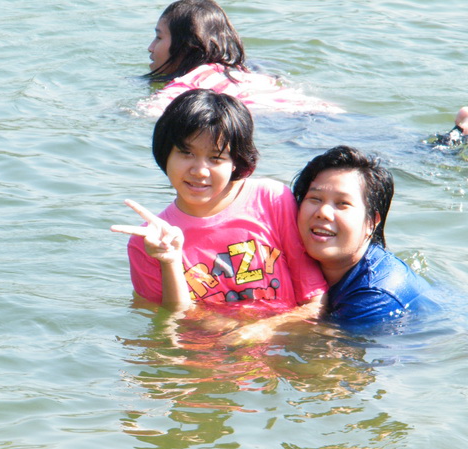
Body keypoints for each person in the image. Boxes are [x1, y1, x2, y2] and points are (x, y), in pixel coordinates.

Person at [112, 89, 327, 325]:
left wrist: (263, 329)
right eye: (186, 153)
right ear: (165, 154)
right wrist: (170, 260)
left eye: (216, 158)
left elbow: (315, 300)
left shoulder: (271, 200)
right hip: (206, 347)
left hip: (283, 340)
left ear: (235, 162)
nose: (199, 171)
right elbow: (168, 325)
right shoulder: (149, 241)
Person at [293, 145, 436, 327]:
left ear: (372, 222)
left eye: (342, 203)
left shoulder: (376, 295)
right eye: (315, 199)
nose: (323, 212)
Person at [139, 0, 342, 117]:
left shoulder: (190, 82)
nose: (150, 47)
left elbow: (153, 112)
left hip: (276, 120)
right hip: (322, 111)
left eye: (159, 37)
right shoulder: (246, 72)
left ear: (186, 47)